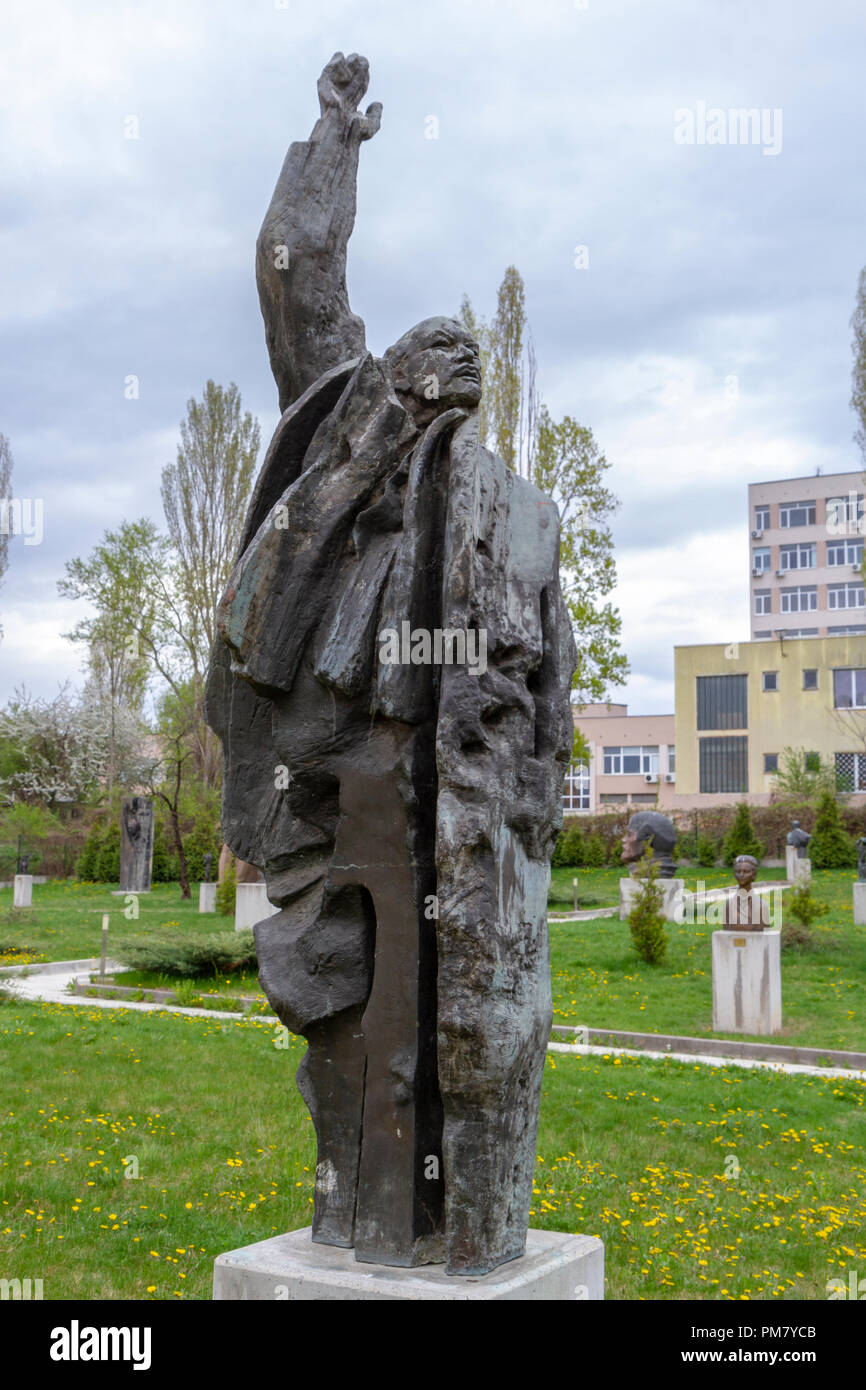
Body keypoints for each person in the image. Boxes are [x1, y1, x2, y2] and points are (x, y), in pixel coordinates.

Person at [205, 53, 576, 1276]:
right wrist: (332, 147)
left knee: (437, 1039)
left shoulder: (501, 526)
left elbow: (549, 689)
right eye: (422, 379)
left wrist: (528, 794)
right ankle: (366, 1218)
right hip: (339, 790)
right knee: (353, 1037)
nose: (439, 396)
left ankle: (441, 1222)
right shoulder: (344, 437)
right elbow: (292, 276)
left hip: (443, 820)